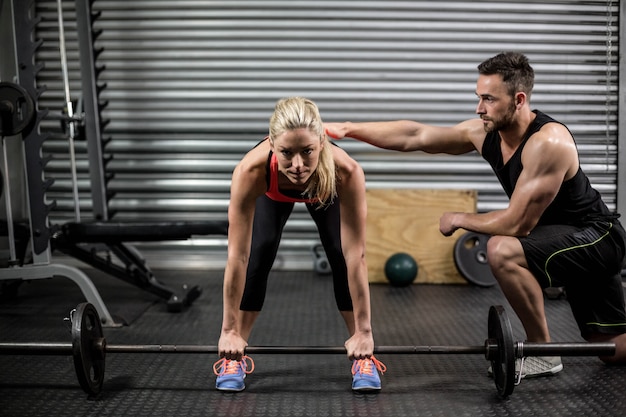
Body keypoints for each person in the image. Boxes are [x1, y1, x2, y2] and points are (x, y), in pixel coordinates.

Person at [325, 52, 626, 378]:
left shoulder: (548, 142)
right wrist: (349, 128)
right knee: (611, 348)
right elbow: (417, 136)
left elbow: (517, 224)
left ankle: (541, 351)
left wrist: (459, 218)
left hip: (596, 238)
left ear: (519, 99)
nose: (479, 108)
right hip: (561, 238)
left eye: (488, 99)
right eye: (478, 97)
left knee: (502, 249)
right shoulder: (486, 134)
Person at [214, 96, 386, 392]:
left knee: (338, 252)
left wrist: (366, 331)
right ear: (271, 144)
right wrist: (227, 330)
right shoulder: (250, 172)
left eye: (307, 151)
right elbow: (236, 256)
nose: (297, 165)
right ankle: (235, 352)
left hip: (324, 186)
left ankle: (363, 352)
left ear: (321, 141)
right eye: (286, 152)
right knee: (261, 249)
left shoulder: (346, 172)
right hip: (273, 193)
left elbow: (356, 255)